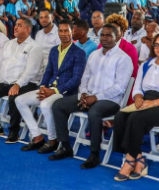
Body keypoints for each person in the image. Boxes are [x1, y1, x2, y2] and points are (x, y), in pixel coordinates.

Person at [51, 24, 133, 168]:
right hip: (88, 96)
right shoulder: (94, 55)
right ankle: (65, 147)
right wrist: (83, 93)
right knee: (58, 105)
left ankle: (94, 155)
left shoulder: (123, 58)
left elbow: (119, 87)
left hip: (110, 101)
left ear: (118, 37)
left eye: (109, 35)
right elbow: (85, 77)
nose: (104, 38)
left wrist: (95, 97)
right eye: (102, 35)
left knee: (94, 112)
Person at [112, 33, 159, 181]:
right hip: (145, 101)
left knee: (136, 117)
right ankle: (138, 157)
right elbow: (137, 88)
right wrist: (139, 97)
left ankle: (129, 160)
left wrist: (152, 103)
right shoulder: (146, 65)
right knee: (120, 116)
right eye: (156, 45)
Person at [16, 20, 86, 153]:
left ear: (72, 32)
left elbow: (76, 79)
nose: (63, 34)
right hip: (48, 89)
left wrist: (54, 91)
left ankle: (53, 140)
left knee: (45, 105)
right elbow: (48, 71)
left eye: (66, 31)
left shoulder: (79, 53)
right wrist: (42, 86)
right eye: (61, 31)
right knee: (19, 100)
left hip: (65, 92)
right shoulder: (54, 51)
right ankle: (37, 137)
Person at [0, 18, 43, 142]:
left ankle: (14, 131)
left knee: (14, 97)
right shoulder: (8, 44)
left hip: (27, 83)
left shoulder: (34, 47)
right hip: (5, 82)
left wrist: (17, 84)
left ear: (28, 29)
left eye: (19, 25)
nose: (15, 27)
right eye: (16, 25)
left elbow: (31, 71)